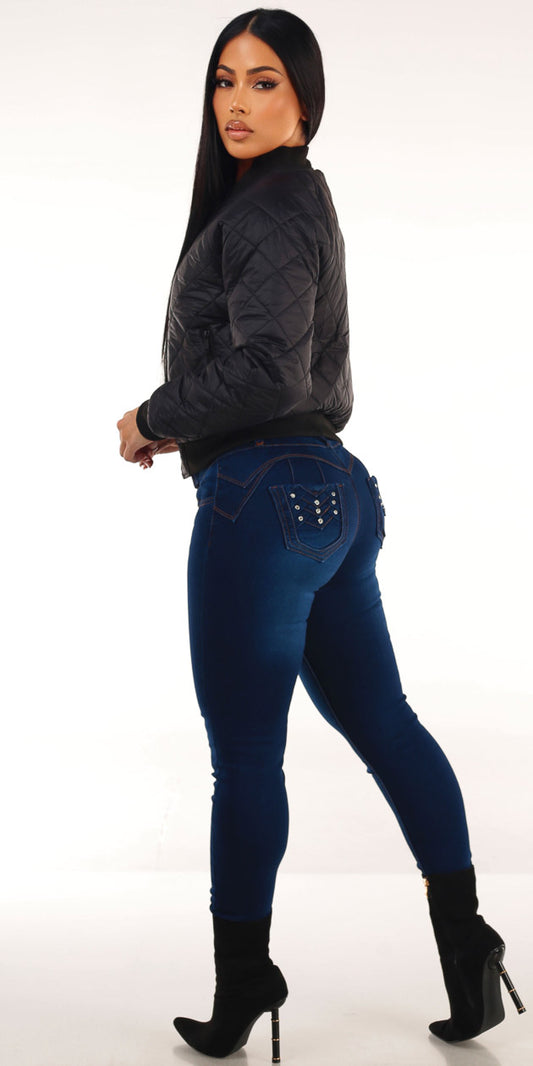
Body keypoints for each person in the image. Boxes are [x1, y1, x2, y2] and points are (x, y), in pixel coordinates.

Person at [117, 8, 525, 1061]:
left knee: (248, 757)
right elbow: (289, 373)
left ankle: (243, 981)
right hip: (331, 491)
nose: (237, 102)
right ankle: (465, 939)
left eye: (263, 82)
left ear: (305, 100)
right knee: (384, 720)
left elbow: (268, 370)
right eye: (224, 80)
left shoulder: (268, 205)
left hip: (260, 501)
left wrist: (152, 417)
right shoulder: (291, 200)